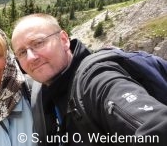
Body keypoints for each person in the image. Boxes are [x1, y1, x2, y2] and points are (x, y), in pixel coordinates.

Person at [11, 13, 167, 146]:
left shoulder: (96, 80)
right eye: (22, 52)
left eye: (38, 43)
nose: (31, 57)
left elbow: (157, 129)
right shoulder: (44, 92)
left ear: (64, 40)